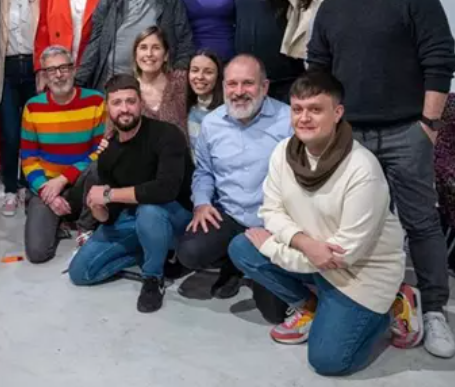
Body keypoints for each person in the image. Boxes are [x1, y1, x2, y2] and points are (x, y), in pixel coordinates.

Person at [308, 0, 455, 358]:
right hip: (350, 137)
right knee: (352, 223)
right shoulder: (331, 7)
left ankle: (434, 309)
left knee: (421, 221)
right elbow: (318, 69)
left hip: (406, 131)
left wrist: (428, 125)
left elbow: (440, 58)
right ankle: (372, 299)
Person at [228, 72, 418, 376]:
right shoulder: (283, 152)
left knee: (328, 361)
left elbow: (341, 257)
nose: (304, 118)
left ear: (337, 112)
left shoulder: (362, 169)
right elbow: (271, 210)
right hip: (314, 255)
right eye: (297, 109)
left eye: (315, 109)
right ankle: (311, 305)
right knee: (243, 247)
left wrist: (276, 248)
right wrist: (304, 243)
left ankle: (394, 304)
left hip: (359, 275)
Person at [176, 54, 292, 323]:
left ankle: (250, 263)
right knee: (190, 252)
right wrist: (202, 203)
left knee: (275, 314)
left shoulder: (287, 121)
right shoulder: (212, 123)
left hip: (272, 222)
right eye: (232, 84)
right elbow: (204, 172)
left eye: (248, 83)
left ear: (264, 86)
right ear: (224, 86)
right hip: (229, 214)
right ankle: (233, 264)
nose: (239, 92)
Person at [69, 74, 193, 313]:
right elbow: (111, 216)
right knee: (80, 272)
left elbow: (166, 189)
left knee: (149, 210)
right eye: (117, 103)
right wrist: (98, 208)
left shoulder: (167, 134)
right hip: (132, 218)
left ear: (140, 103)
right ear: (108, 108)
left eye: (130, 101)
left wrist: (109, 194)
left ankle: (153, 278)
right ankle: (152, 248)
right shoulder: (108, 153)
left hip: (174, 215)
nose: (124, 109)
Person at [21, 45, 106, 264]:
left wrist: (64, 179)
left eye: (64, 68)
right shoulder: (33, 107)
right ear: (44, 76)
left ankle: (85, 227)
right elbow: (28, 159)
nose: (58, 75)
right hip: (47, 187)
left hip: (82, 185)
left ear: (74, 69)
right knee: (37, 253)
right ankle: (59, 220)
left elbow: (100, 152)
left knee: (99, 168)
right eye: (51, 70)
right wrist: (46, 191)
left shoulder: (96, 101)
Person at [77, 0, 193, 92]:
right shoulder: (109, 1)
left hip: (156, 88)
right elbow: (95, 45)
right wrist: (77, 83)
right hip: (113, 86)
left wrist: (176, 84)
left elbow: (184, 43)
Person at [0, 0, 41, 216]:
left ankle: (28, 185)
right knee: (10, 134)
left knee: (33, 133)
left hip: (33, 68)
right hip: (7, 69)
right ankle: (10, 188)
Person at [131, 26, 189, 135]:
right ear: (135, 55)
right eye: (143, 47)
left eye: (156, 48)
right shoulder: (127, 90)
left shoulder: (182, 81)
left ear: (166, 55)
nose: (149, 54)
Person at [186, 49, 224, 143]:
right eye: (195, 70)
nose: (200, 77)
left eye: (208, 72)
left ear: (218, 76)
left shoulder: (225, 113)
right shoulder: (185, 108)